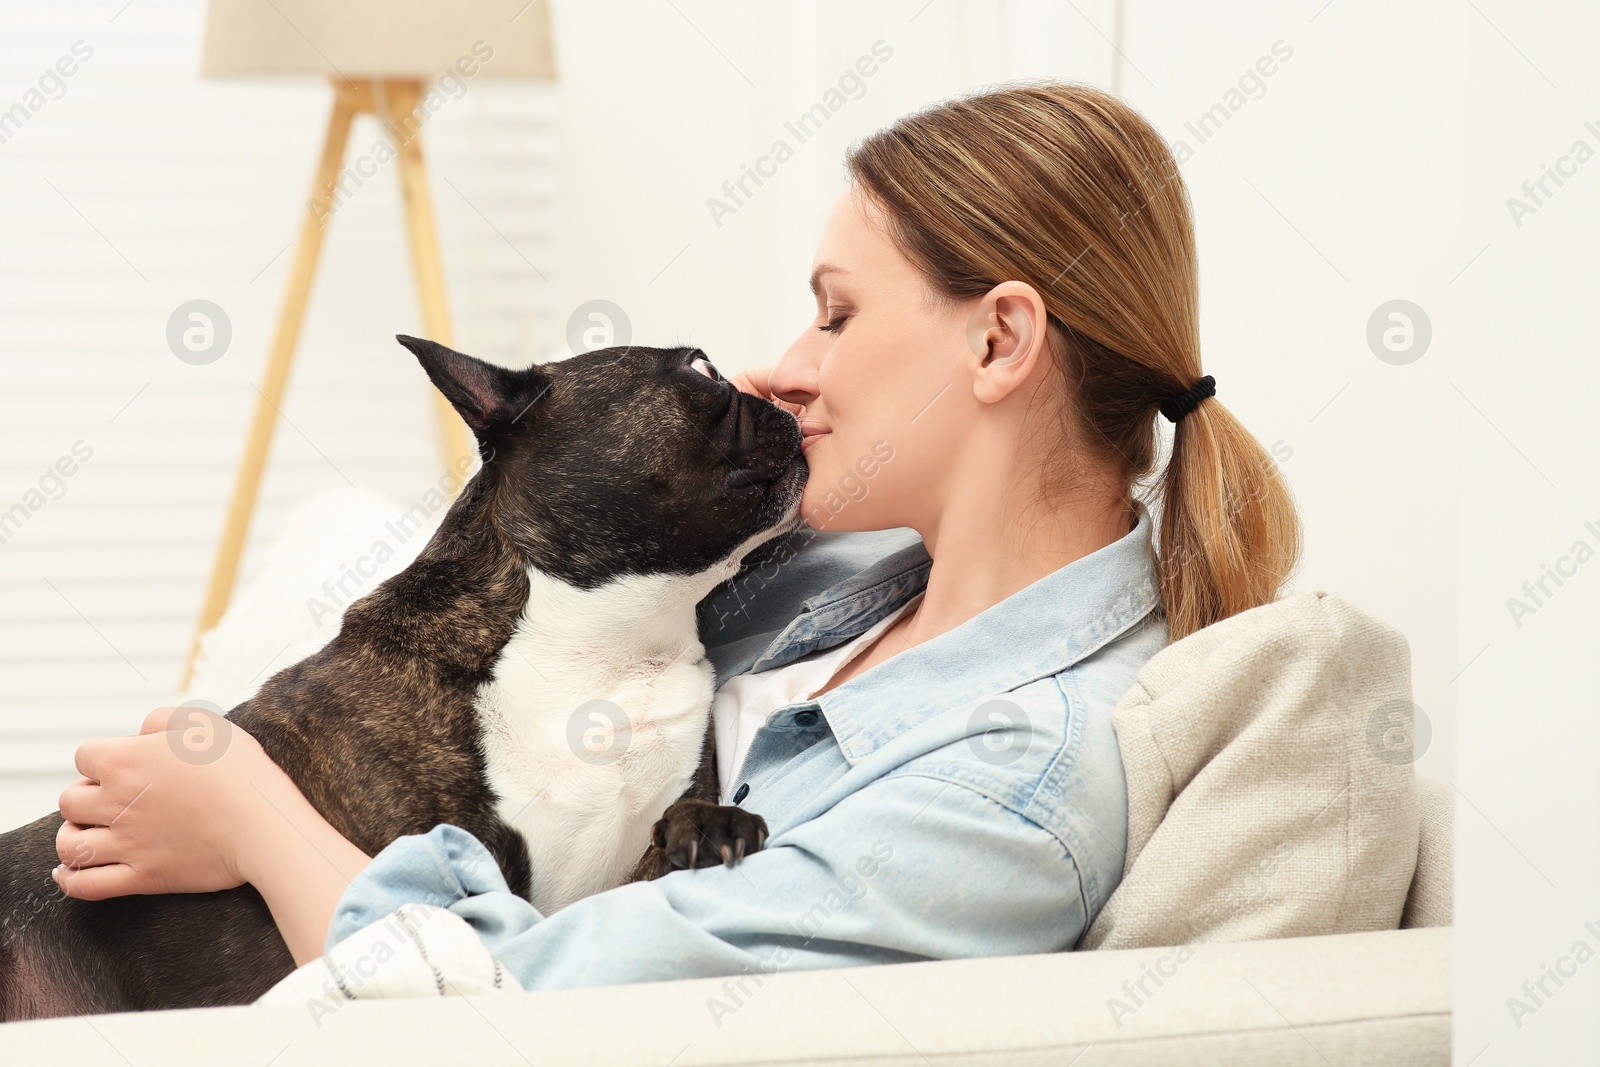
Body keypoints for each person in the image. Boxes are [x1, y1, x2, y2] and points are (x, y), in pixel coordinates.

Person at [49, 82, 1300, 993]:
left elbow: (511, 1001)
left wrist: (243, 811)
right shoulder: (822, 581)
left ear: (999, 341)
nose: (782, 368)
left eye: (834, 315)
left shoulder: (1007, 785)